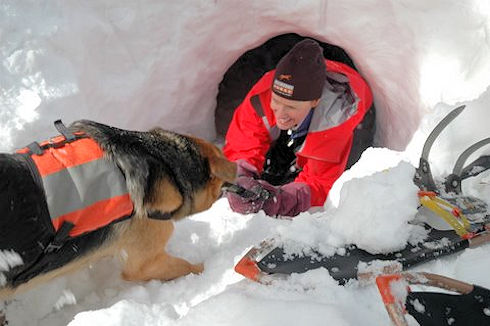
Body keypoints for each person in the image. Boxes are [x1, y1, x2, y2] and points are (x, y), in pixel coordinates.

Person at [224, 39, 373, 217]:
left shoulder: (335, 120)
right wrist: (240, 177)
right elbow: (242, 143)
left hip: (346, 131)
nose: (281, 113)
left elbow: (319, 184)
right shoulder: (262, 96)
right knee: (273, 166)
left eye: (291, 106)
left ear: (314, 102)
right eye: (276, 102)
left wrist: (278, 201)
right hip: (296, 126)